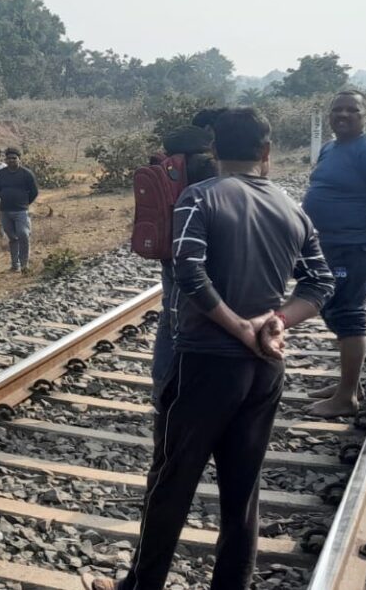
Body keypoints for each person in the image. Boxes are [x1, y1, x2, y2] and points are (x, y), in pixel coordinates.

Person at [85, 108, 335, 590]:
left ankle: (143, 586)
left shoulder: (199, 199)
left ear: (214, 150)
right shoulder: (291, 206)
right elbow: (321, 282)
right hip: (265, 370)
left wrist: (241, 327)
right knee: (242, 493)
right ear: (266, 152)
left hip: (205, 364)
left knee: (172, 484)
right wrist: (275, 322)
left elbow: (189, 274)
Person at [298, 91, 366, 418]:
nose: (343, 115)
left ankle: (346, 397)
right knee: (332, 310)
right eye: (337, 110)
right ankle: (350, 384)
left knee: (348, 315)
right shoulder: (332, 147)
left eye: (352, 110)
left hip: (351, 248)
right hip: (328, 245)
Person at [151, 112, 221, 397]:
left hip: (171, 247)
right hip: (201, 250)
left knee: (170, 316)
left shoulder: (168, 160)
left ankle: (162, 387)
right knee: (206, 315)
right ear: (209, 129)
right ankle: (197, 389)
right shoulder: (208, 164)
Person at [0, 147, 39, 273]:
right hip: (5, 211)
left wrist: (24, 202)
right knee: (12, 238)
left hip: (21, 211)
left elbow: (34, 192)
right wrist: (7, 197)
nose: (11, 160)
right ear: (6, 160)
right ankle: (15, 265)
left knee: (23, 235)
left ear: (19, 159)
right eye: (9, 158)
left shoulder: (26, 173)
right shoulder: (1, 174)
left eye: (14, 158)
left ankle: (24, 265)